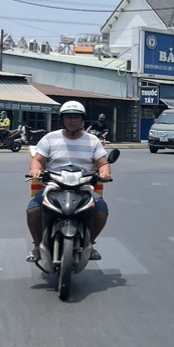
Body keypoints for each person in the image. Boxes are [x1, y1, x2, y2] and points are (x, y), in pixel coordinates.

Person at [26, 100, 112, 263]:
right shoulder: (50, 138)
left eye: (76, 117)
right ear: (62, 119)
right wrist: (35, 170)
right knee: (33, 210)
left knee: (101, 211)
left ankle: (89, 243)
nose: (72, 120)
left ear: (82, 120)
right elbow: (37, 159)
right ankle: (37, 246)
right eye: (68, 117)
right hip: (54, 185)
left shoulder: (93, 140)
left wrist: (104, 173)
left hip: (83, 186)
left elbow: (103, 163)